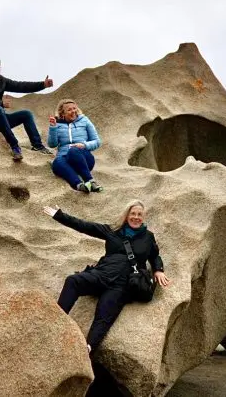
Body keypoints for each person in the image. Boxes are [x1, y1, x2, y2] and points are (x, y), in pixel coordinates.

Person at [43, 201, 171, 353]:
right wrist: (60, 216)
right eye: (133, 214)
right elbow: (85, 226)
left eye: (139, 214)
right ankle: (55, 322)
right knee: (73, 281)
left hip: (124, 284)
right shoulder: (113, 230)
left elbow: (155, 255)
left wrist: (158, 270)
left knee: (104, 316)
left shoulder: (148, 237)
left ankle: (87, 350)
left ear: (143, 217)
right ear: (126, 215)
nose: (136, 217)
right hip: (102, 274)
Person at [0, 55, 54, 161]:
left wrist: (43, 85)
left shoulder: (1, 81)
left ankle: (37, 145)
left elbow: (20, 86)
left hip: (0, 120)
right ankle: (15, 146)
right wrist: (0, 103)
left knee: (26, 114)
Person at [47, 99, 103, 193]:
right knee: (56, 162)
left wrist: (84, 145)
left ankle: (90, 181)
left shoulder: (84, 120)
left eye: (74, 108)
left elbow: (97, 142)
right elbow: (52, 144)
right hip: (65, 162)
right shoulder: (58, 124)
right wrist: (53, 127)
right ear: (62, 113)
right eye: (69, 110)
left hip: (83, 159)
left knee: (73, 150)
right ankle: (79, 185)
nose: (73, 111)